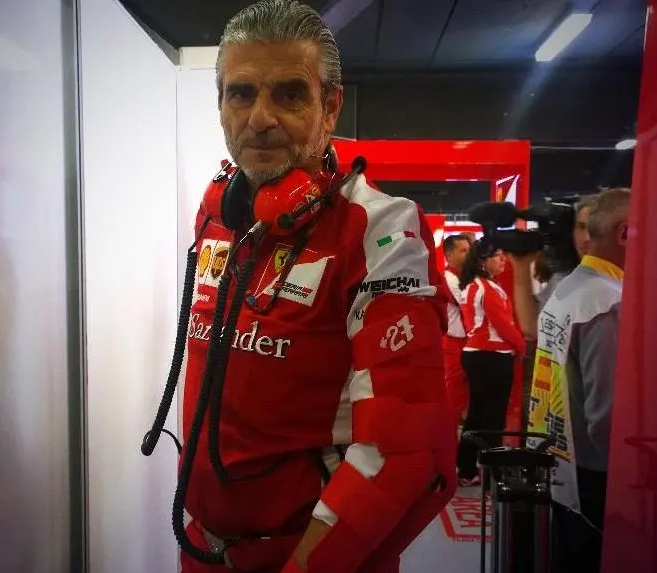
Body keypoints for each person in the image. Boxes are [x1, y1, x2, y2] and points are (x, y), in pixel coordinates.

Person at [177, 2, 457, 572]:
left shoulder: (379, 229)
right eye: (241, 93)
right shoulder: (221, 217)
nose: (259, 117)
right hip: (203, 548)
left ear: (330, 107)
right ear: (221, 105)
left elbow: (402, 451)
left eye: (288, 94)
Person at [526, 188, 630, 573]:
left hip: (562, 462)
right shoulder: (607, 302)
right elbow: (607, 417)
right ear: (624, 234)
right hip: (593, 477)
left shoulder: (570, 289)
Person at [455, 242, 525, 487]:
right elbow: (504, 325)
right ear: (482, 261)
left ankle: (466, 468)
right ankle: (492, 473)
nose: (503, 260)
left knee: (477, 414)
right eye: (497, 256)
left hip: (478, 354)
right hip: (492, 356)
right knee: (492, 416)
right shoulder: (487, 289)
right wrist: (523, 346)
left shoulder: (473, 286)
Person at [510, 194, 598, 338]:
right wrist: (521, 268)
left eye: (594, 228)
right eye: (581, 227)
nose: (586, 238)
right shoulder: (566, 275)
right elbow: (534, 326)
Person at [441, 234, 472, 421]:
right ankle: (450, 440)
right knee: (455, 393)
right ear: (449, 255)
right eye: (463, 251)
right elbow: (469, 305)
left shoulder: (464, 277)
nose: (468, 255)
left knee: (467, 392)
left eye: (469, 250)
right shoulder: (448, 279)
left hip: (466, 341)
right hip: (454, 343)